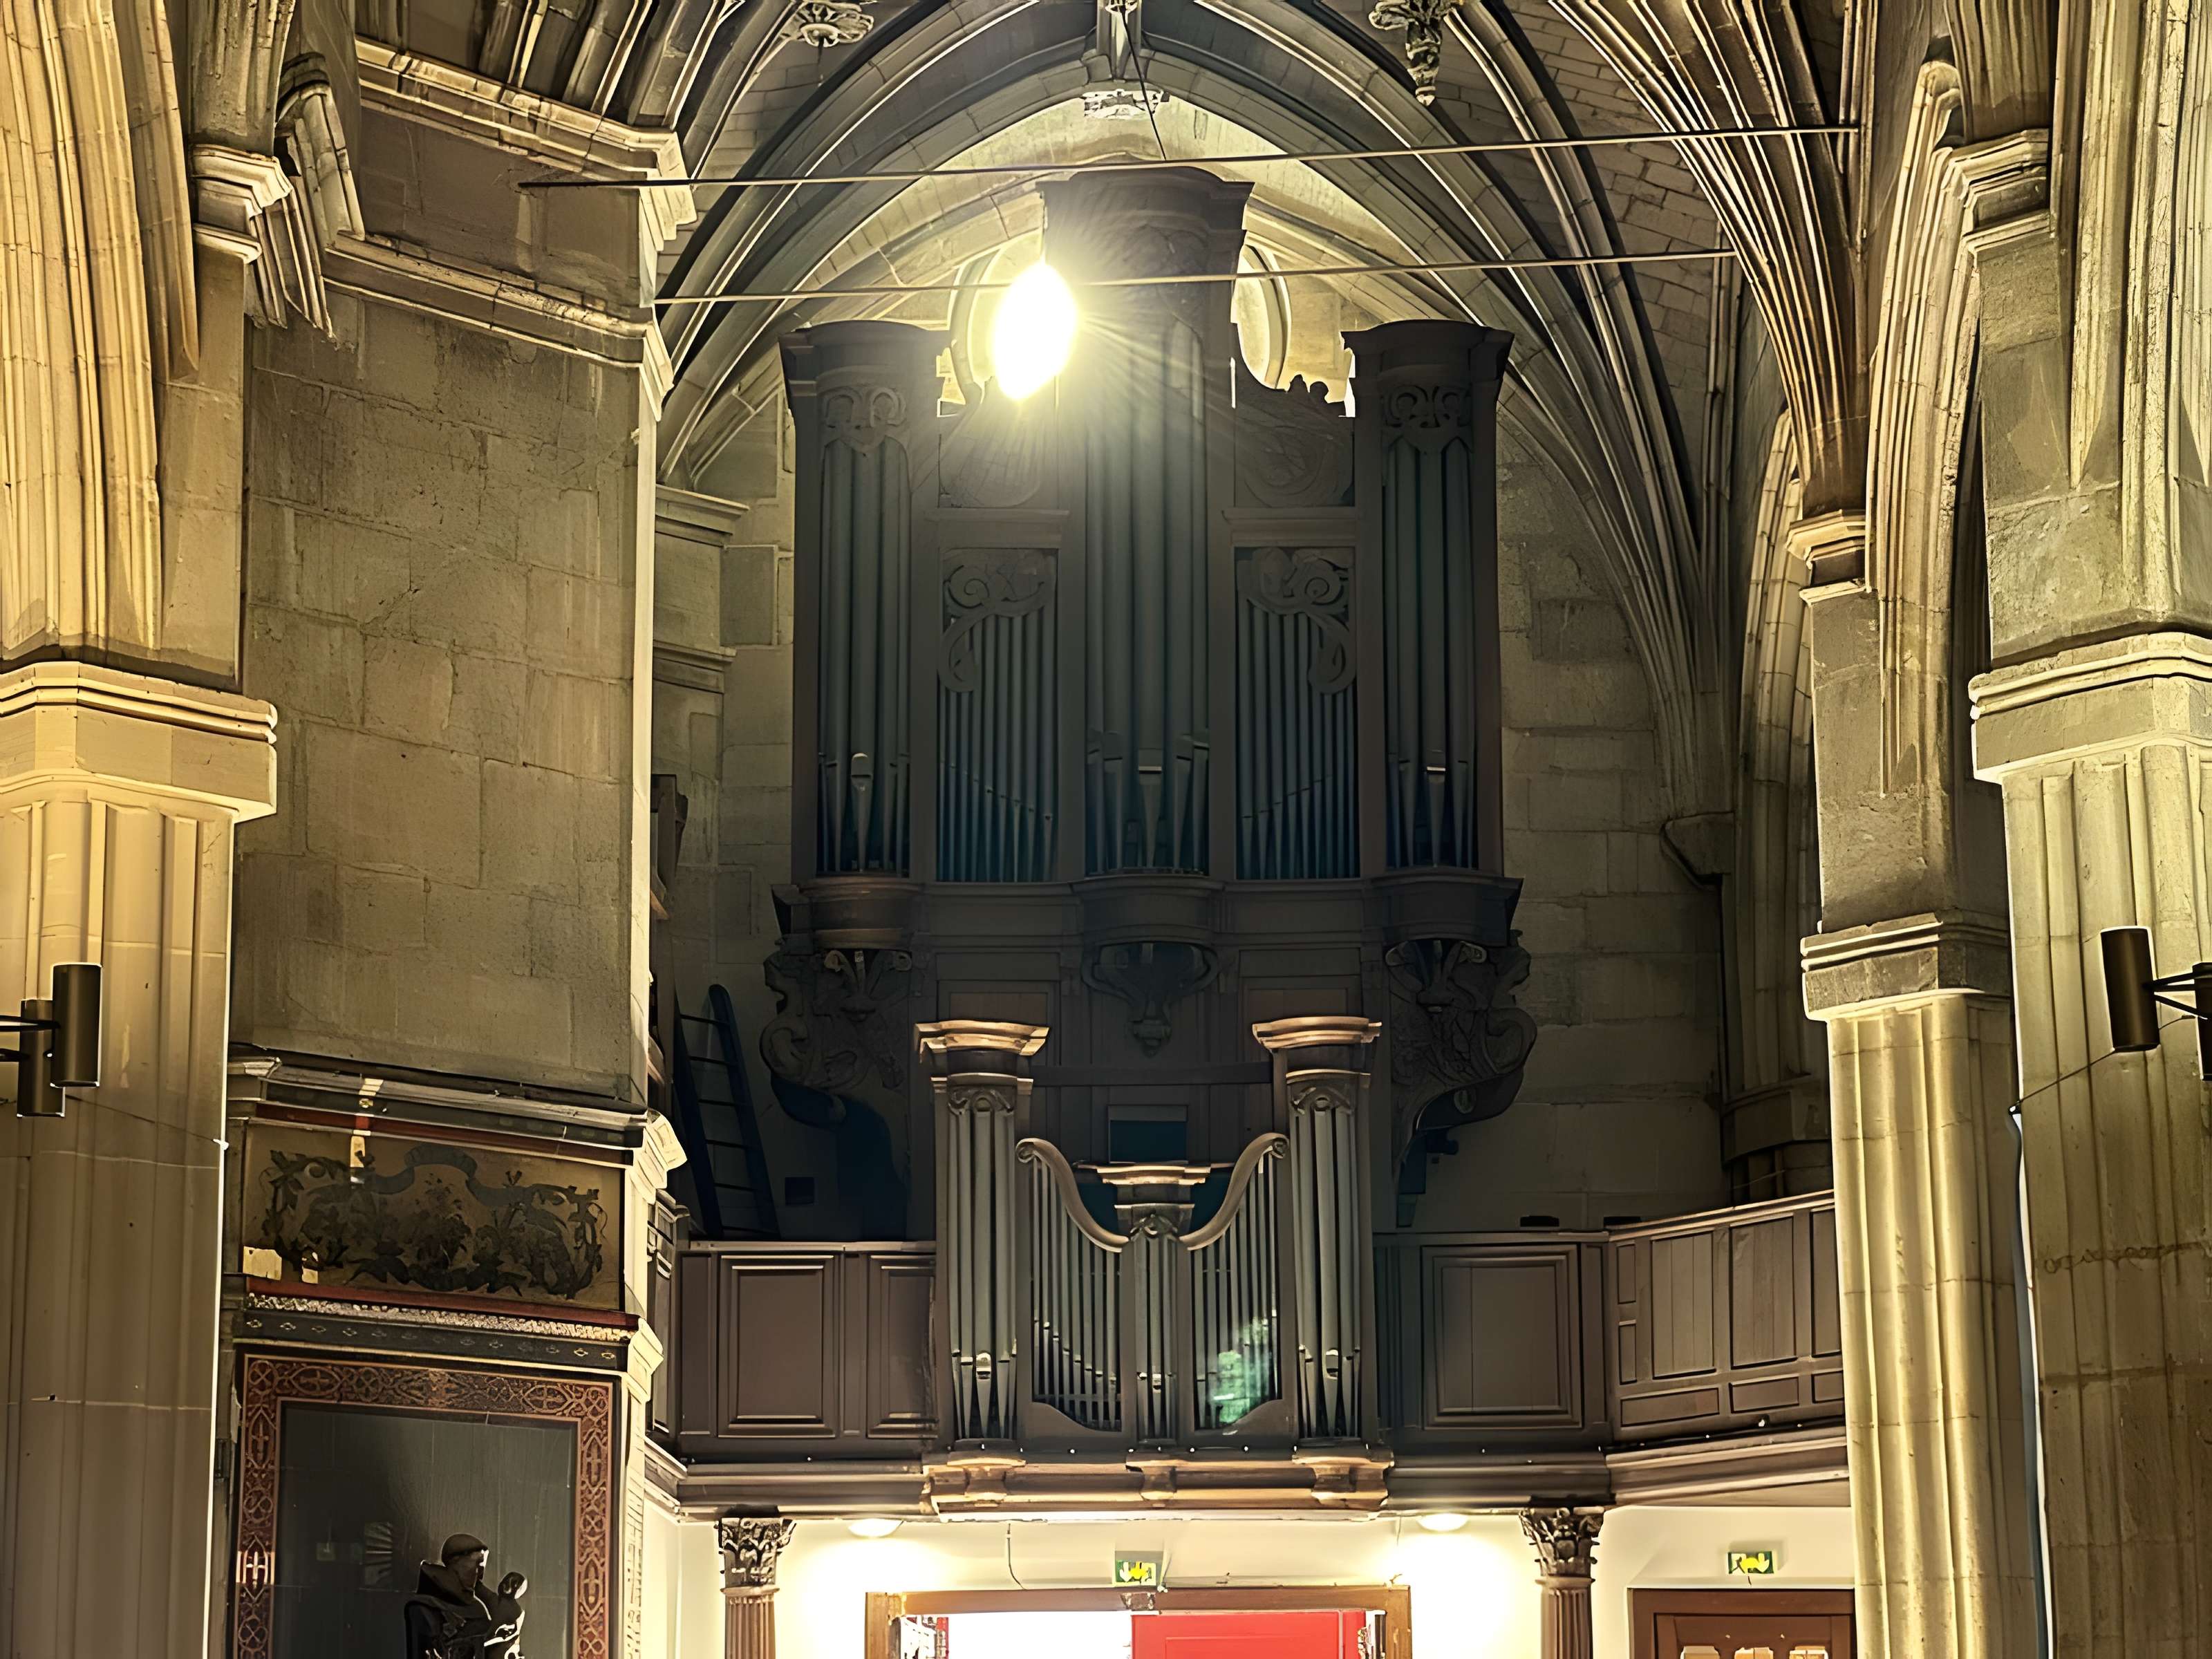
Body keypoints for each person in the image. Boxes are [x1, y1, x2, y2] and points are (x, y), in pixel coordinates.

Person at [402, 1534, 525, 1659]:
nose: (481, 1575)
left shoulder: (478, 1608)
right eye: (478, 1564)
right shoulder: (423, 1609)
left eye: (483, 1567)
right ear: (456, 1561)